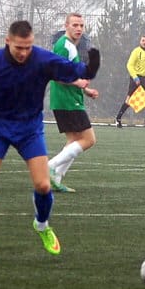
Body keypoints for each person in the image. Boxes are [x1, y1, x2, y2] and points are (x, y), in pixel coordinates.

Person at [0, 20, 100, 257]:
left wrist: (89, 69)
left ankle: (41, 225)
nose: (24, 53)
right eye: (19, 47)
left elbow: (71, 70)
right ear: (7, 41)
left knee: (43, 185)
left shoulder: (41, 59)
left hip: (29, 129)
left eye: (28, 47)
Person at [47, 13, 99, 193]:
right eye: (75, 25)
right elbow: (58, 75)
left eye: (81, 26)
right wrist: (79, 83)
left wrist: (86, 90)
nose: (79, 29)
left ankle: (56, 178)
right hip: (67, 101)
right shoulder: (64, 46)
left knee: (73, 140)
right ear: (66, 26)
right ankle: (50, 166)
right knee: (89, 139)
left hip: (68, 99)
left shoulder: (71, 47)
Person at [114, 35, 145, 128]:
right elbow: (129, 65)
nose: (144, 42)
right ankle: (118, 118)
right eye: (143, 40)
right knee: (129, 101)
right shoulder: (136, 51)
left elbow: (143, 64)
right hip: (136, 79)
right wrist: (135, 77)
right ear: (140, 41)